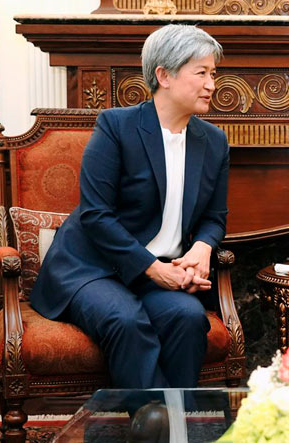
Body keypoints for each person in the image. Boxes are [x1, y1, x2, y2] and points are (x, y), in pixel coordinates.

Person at [30, 24, 229, 389]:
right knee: (125, 320)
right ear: (163, 75)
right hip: (93, 269)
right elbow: (95, 215)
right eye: (201, 73)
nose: (212, 85)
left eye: (213, 73)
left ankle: (175, 425)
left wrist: (202, 247)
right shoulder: (117, 126)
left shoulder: (213, 141)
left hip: (159, 274)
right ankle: (150, 426)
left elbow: (215, 218)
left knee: (187, 318)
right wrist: (153, 269)